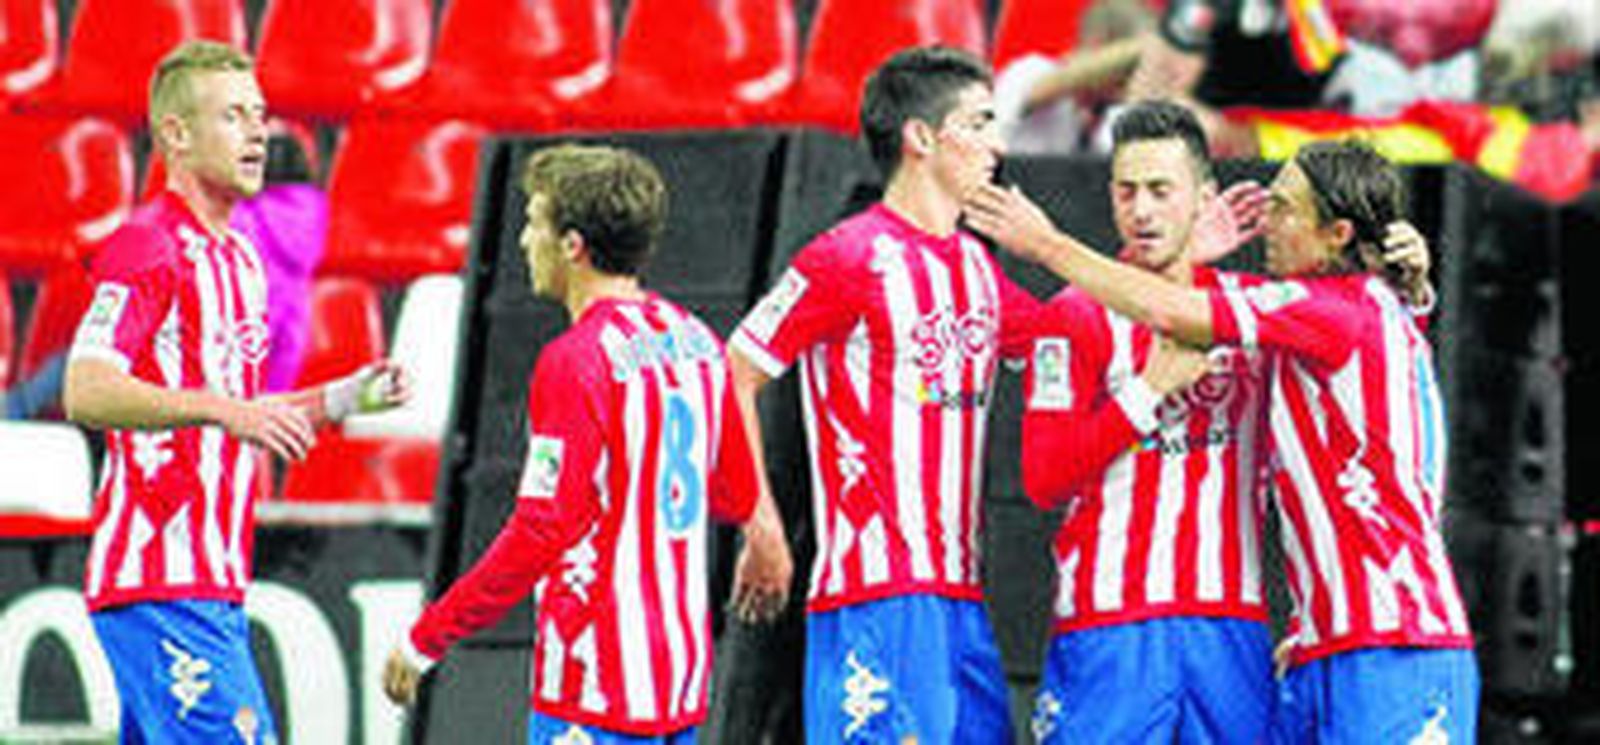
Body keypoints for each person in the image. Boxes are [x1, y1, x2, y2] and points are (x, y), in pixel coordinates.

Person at [965, 138, 1476, 742]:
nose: (1267, 225)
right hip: (1313, 644)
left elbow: (1172, 311)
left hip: (1392, 642)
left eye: (1284, 209)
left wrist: (1047, 246)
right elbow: (1045, 477)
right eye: (1126, 190)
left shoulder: (1330, 310)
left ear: (1336, 233)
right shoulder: (1342, 312)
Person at [379, 144, 792, 743]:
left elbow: (540, 530)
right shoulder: (698, 341)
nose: (524, 240)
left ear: (572, 245)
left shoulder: (574, 361)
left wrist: (428, 637)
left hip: (595, 680)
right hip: (677, 677)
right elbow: (734, 494)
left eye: (534, 222)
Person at [63, 40, 408, 743]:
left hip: (212, 579)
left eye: (261, 115)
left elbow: (243, 412)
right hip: (159, 579)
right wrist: (223, 408)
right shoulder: (147, 244)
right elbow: (85, 387)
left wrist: (343, 398)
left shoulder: (241, 257)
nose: (259, 133)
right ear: (177, 135)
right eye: (234, 116)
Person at [728, 45, 1039, 743]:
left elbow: (1068, 342)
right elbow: (733, 373)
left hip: (961, 599)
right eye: (980, 122)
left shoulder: (977, 270)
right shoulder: (845, 256)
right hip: (875, 592)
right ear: (921, 138)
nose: (998, 142)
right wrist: (762, 524)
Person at [1019, 100, 1277, 743]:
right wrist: (1148, 390)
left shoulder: (1253, 313)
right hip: (1111, 626)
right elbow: (1043, 478)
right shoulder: (1072, 316)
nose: (1141, 210)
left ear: (1202, 197)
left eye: (1162, 191)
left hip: (1230, 627)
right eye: (1127, 191)